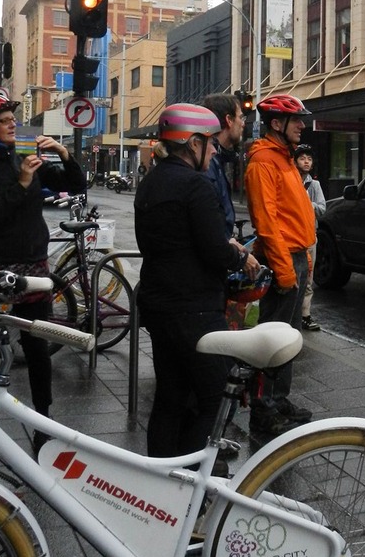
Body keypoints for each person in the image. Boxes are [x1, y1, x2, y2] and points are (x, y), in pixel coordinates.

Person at [134, 103, 259, 467]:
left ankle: (160, 479)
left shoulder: (151, 181)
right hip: (195, 309)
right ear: (192, 144)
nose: (214, 150)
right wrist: (238, 256)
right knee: (217, 396)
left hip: (159, 303)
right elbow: (212, 250)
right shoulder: (195, 185)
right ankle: (193, 478)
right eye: (209, 143)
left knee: (170, 398)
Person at [0, 94, 86, 452]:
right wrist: (20, 185)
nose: (12, 124)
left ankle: (43, 423)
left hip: (33, 268)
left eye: (12, 120)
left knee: (37, 347)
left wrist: (64, 155)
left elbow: (76, 185)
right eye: (4, 121)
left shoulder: (26, 161)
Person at [244, 94, 316, 437]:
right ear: (276, 124)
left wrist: (305, 257)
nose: (303, 125)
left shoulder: (284, 158)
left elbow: (291, 214)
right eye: (296, 120)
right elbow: (266, 220)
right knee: (273, 337)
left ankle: (279, 399)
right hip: (283, 259)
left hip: (296, 257)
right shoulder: (264, 161)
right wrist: (286, 268)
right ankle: (264, 409)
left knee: (288, 336)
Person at [201, 93, 245, 241]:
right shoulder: (208, 164)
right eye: (240, 117)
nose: (243, 123)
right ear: (229, 120)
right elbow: (209, 227)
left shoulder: (216, 162)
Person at [293, 144, 326, 332]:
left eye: (309, 159)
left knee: (308, 278)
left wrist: (306, 203)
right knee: (293, 276)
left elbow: (322, 208)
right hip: (293, 237)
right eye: (302, 158)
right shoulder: (291, 180)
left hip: (310, 236)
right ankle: (292, 314)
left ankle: (305, 315)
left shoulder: (314, 185)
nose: (306, 162)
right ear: (295, 161)